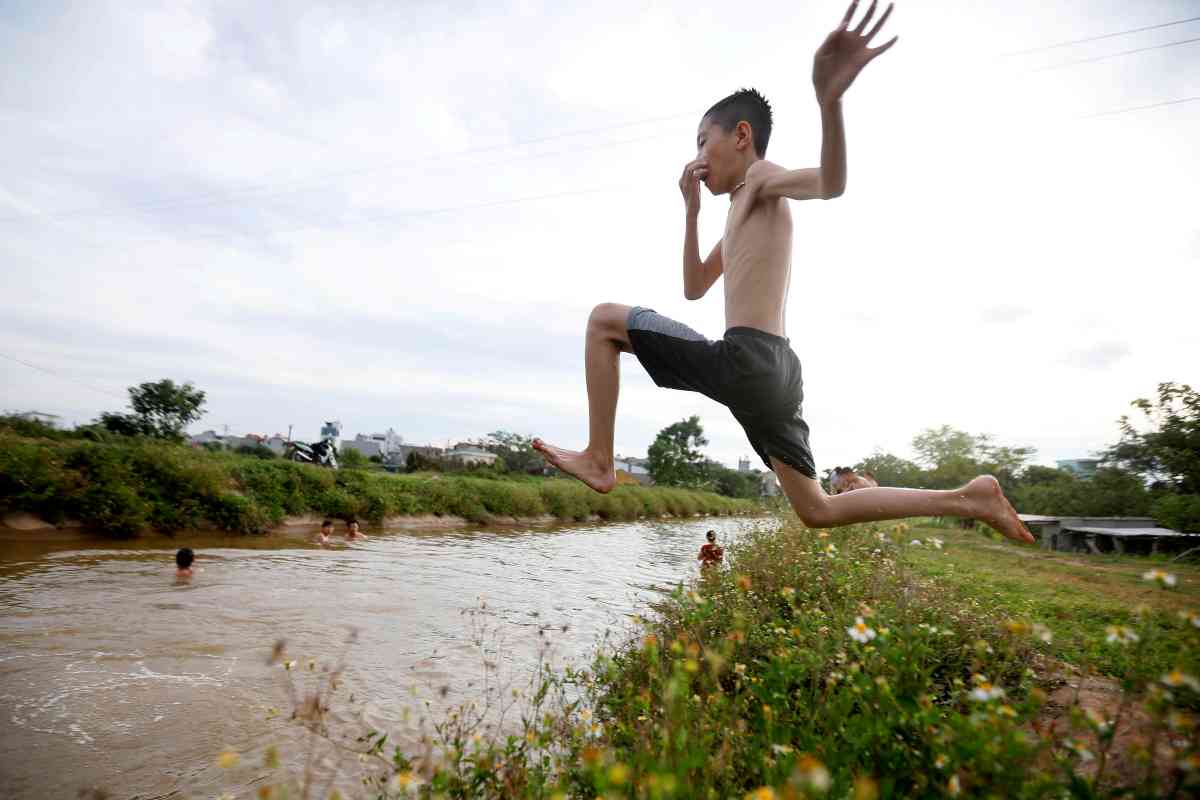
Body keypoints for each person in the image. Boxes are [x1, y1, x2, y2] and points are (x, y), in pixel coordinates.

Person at [532, 1, 1033, 544]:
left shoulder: (761, 179)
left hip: (749, 358)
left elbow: (830, 183)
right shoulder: (737, 209)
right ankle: (969, 497)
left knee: (604, 320)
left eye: (703, 140)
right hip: (775, 370)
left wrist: (830, 102)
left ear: (741, 136)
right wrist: (692, 212)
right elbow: (696, 286)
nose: (698, 156)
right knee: (816, 508)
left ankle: (600, 459)